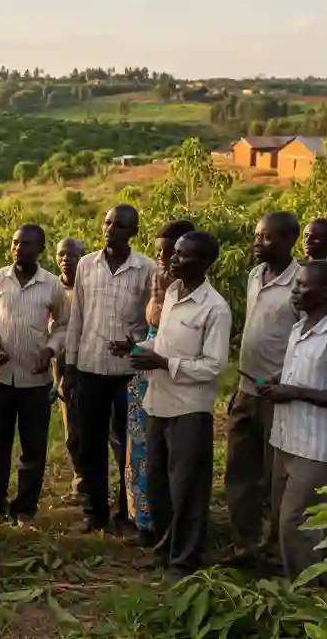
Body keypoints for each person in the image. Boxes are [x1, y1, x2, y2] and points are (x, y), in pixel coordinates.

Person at [115, 230, 230, 580]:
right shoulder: (173, 294)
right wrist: (135, 349)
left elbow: (214, 366)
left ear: (205, 263)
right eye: (174, 253)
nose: (173, 260)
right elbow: (163, 348)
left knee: (188, 489)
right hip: (158, 404)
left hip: (189, 410)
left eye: (182, 255)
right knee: (160, 484)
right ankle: (165, 549)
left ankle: (185, 560)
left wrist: (163, 364)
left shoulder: (215, 308)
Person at [256, 260, 327, 580]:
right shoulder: (297, 329)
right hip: (286, 437)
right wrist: (275, 382)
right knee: (284, 517)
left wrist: (294, 392)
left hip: (315, 446)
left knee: (296, 521)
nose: (296, 291)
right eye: (296, 284)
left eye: (304, 286)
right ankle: (305, 577)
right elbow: (295, 372)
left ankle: (309, 590)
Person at [66, 205, 153, 534]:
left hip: (128, 372)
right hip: (90, 368)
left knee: (129, 447)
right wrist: (71, 367)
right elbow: (77, 318)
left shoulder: (147, 268)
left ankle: (126, 512)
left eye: (119, 225)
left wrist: (134, 342)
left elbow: (151, 321)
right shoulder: (87, 265)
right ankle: (95, 511)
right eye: (107, 222)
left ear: (133, 232)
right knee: (90, 445)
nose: (110, 229)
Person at [224, 211, 302, 568]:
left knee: (275, 478)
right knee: (240, 472)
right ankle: (245, 545)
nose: (258, 242)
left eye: (267, 237)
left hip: (278, 395)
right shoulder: (256, 275)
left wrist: (289, 382)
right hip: (246, 388)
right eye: (257, 236)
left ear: (289, 240)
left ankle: (275, 551)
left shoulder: (302, 282)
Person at [0, 224, 68, 524]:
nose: (19, 249)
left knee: (33, 448)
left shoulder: (52, 285)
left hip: (35, 379)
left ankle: (25, 508)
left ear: (40, 249)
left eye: (27, 244)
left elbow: (63, 325)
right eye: (15, 243)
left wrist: (51, 349)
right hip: (0, 376)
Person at [125, 220, 195, 548]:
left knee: (174, 455)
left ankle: (174, 525)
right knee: (141, 449)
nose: (164, 260)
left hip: (177, 375)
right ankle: (144, 519)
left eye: (171, 253)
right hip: (147, 371)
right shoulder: (156, 280)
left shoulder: (193, 292)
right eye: (159, 253)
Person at [53, 236, 88, 505]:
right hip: (62, 367)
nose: (66, 260)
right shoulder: (52, 289)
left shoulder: (89, 288)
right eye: (61, 255)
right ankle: (80, 482)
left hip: (91, 367)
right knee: (72, 433)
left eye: (72, 255)